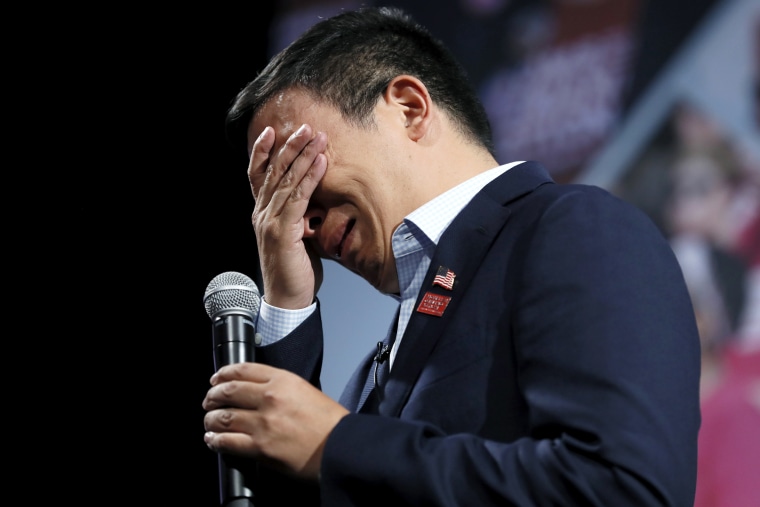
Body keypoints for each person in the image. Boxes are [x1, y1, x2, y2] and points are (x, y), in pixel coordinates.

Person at [202, 6, 701, 506]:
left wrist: (339, 445)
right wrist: (288, 303)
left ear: (409, 107)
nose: (294, 218)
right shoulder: (375, 370)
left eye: (295, 167)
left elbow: (621, 487)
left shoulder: (574, 229)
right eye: (269, 193)